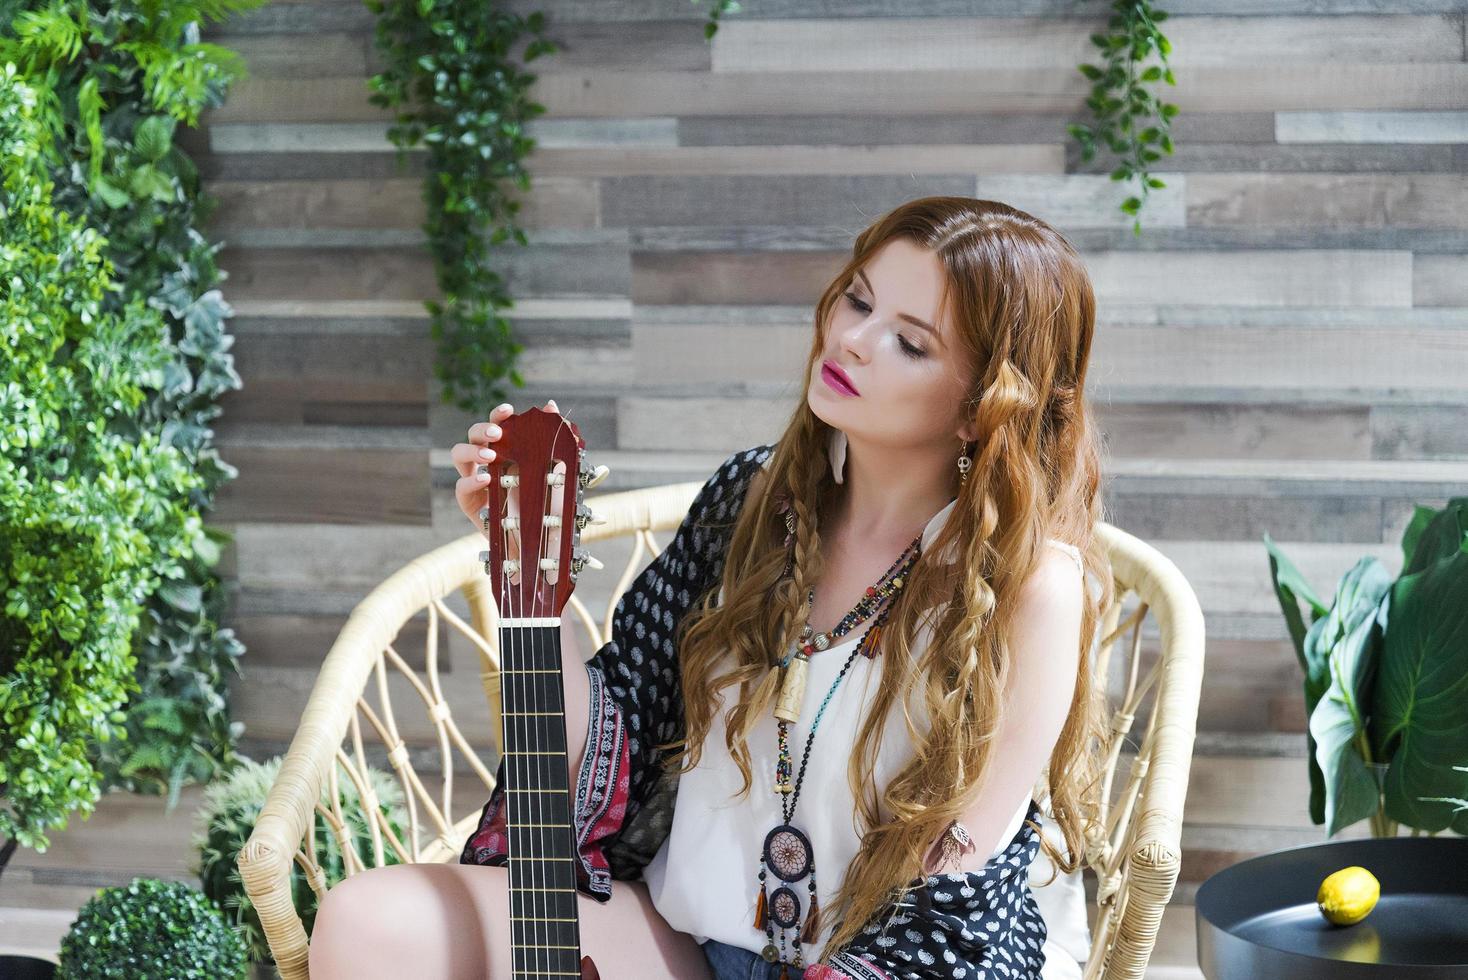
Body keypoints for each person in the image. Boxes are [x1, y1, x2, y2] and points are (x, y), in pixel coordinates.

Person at [308, 196, 1113, 980]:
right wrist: (526, 588)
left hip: (897, 966)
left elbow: (955, 883)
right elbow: (615, 731)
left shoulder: (1032, 585)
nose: (854, 340)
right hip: (686, 941)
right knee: (370, 925)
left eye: (909, 342)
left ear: (983, 408)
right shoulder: (752, 502)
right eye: (858, 301)